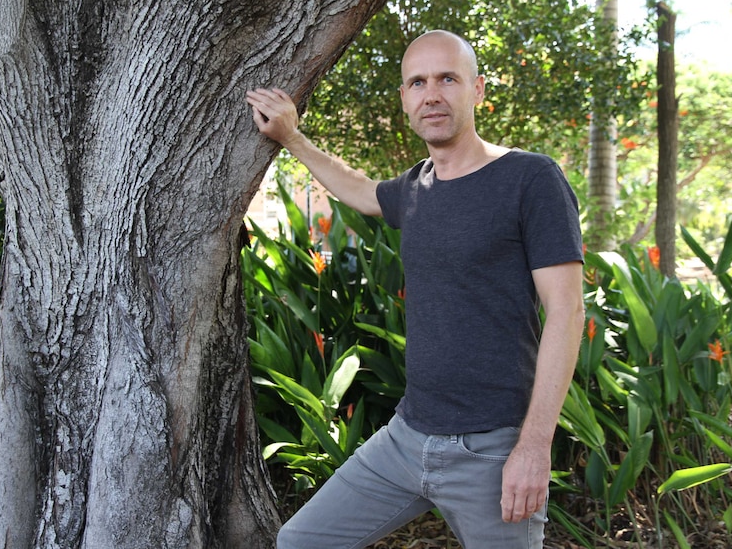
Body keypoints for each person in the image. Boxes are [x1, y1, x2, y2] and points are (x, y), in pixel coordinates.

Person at [246, 30, 584, 549]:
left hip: (492, 451)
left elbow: (566, 312)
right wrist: (292, 136)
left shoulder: (530, 179)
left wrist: (534, 447)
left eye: (448, 78)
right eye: (418, 82)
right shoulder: (417, 187)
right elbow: (359, 190)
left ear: (477, 89)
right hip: (405, 441)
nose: (433, 94)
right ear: (404, 99)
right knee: (299, 541)